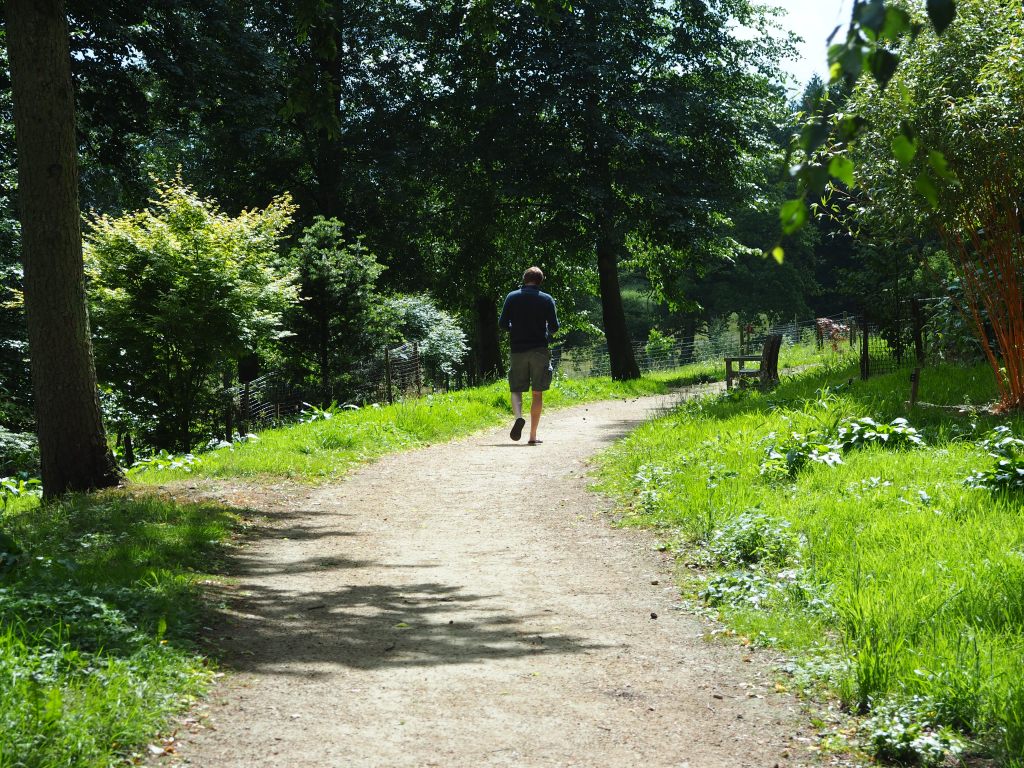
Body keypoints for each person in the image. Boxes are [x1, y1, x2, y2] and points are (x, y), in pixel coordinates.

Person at [498, 266, 559, 444]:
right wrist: (545, 332)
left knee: (516, 389)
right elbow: (554, 327)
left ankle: (518, 417)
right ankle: (532, 436)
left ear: (524, 279)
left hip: (518, 349)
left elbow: (502, 324)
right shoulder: (547, 299)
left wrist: (514, 330)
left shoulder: (512, 297)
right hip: (539, 349)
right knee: (537, 393)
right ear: (540, 281)